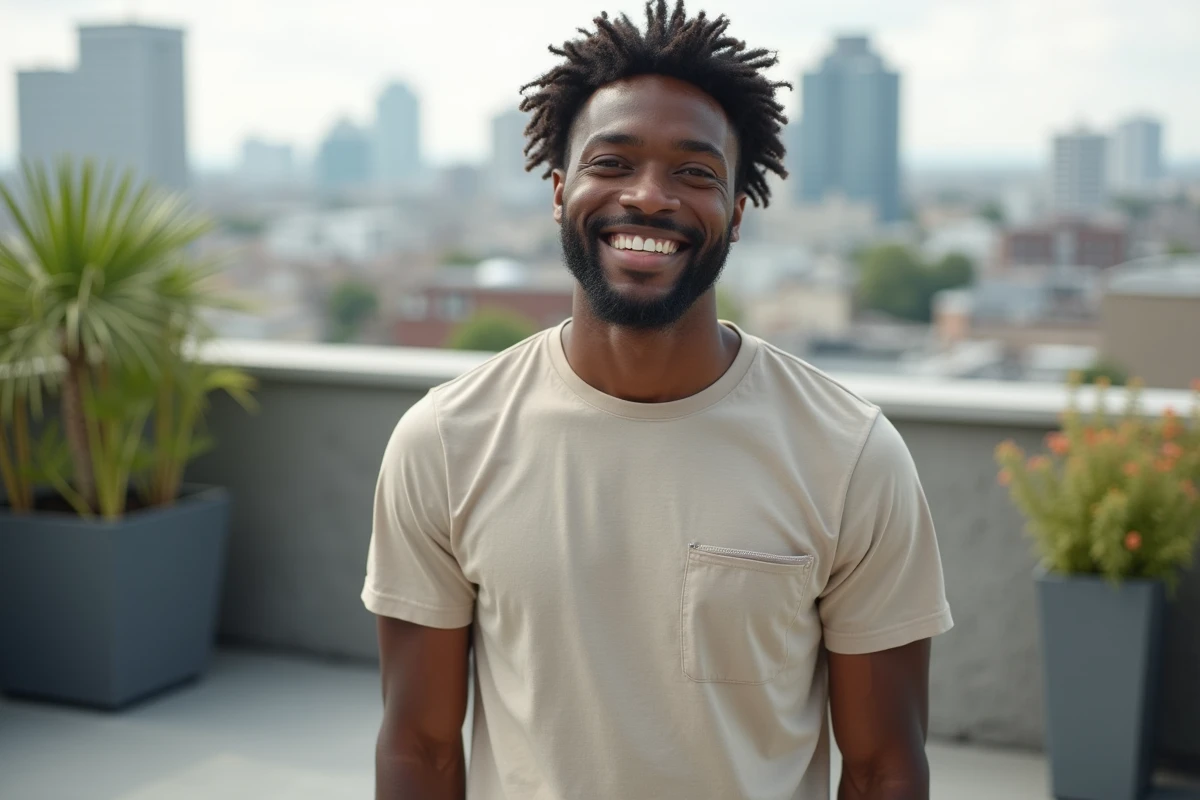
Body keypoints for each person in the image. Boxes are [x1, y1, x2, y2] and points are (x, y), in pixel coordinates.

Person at [361, 2, 953, 797]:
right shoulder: (442, 441)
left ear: (737, 213)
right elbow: (420, 748)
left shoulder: (850, 456)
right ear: (560, 188)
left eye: (695, 172)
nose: (648, 197)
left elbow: (884, 767)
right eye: (613, 162)